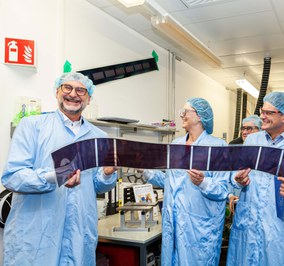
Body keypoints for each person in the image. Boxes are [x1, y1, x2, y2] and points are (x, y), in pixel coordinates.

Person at [1, 72, 118, 265]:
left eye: (81, 90)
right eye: (67, 88)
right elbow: (13, 176)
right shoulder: (32, 126)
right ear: (57, 92)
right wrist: (55, 176)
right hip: (37, 233)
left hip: (79, 232)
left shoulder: (99, 136)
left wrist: (106, 173)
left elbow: (97, 185)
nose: (73, 94)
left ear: (88, 98)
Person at [226, 92, 284, 265]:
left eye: (268, 113)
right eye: (262, 111)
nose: (262, 116)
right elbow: (234, 175)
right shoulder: (252, 141)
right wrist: (237, 180)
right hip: (247, 223)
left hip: (278, 229)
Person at [143, 98, 230, 265]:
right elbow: (169, 181)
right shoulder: (176, 145)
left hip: (200, 228)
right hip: (174, 224)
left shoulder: (217, 147)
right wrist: (145, 171)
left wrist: (203, 182)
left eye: (185, 112)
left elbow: (222, 190)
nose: (181, 115)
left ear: (199, 116)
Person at [228, 115, 262, 213]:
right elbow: (227, 176)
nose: (244, 132)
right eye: (243, 128)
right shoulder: (234, 151)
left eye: (249, 128)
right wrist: (230, 195)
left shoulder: (266, 153)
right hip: (238, 203)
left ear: (260, 131)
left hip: (259, 207)